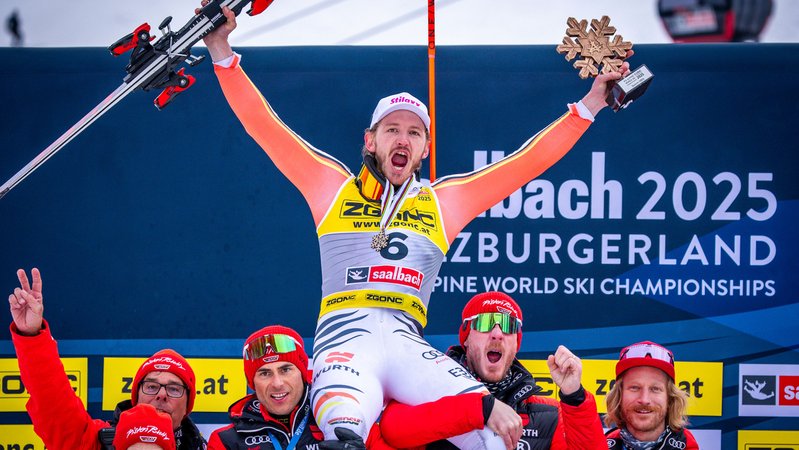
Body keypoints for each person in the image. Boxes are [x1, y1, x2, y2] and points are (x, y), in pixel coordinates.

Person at [201, 4, 631, 447]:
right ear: (370, 140)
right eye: (391, 130)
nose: (402, 139)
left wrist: (592, 102)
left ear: (425, 148)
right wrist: (219, 49)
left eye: (414, 132)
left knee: (494, 430)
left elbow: (527, 163)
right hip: (347, 339)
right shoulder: (330, 187)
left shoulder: (443, 201)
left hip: (409, 343)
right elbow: (264, 126)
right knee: (344, 428)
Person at [378, 291, 607, 450]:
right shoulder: (429, 392)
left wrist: (574, 397)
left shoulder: (546, 414)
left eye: (508, 326)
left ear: (516, 344)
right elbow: (393, 429)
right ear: (466, 338)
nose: (497, 333)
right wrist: (481, 408)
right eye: (485, 323)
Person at [8, 268, 206, 450]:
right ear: (135, 397)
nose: (161, 395)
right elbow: (52, 402)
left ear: (188, 405)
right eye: (152, 386)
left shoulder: (210, 446)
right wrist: (32, 336)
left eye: (173, 389)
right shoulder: (95, 443)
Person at [208, 325, 392, 449]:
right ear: (252, 383)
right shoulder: (227, 441)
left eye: (286, 369)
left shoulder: (345, 420)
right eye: (265, 373)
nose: (277, 383)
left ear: (303, 374)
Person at [603, 341, 699, 449]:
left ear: (670, 398)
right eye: (635, 388)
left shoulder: (686, 445)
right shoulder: (602, 445)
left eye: (655, 389)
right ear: (619, 396)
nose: (644, 399)